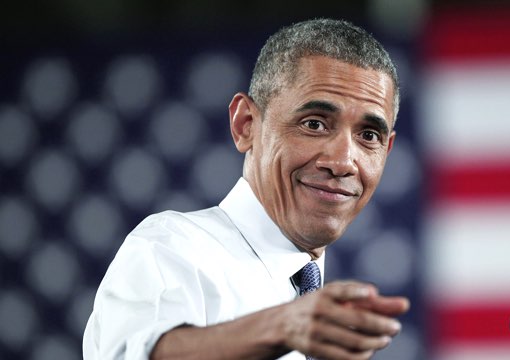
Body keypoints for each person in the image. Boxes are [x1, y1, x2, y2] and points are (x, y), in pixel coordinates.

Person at [83, 18, 409, 360]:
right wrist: (282, 327)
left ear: (386, 151)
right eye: (314, 124)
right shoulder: (171, 248)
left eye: (368, 136)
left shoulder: (321, 311)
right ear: (245, 125)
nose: (343, 162)